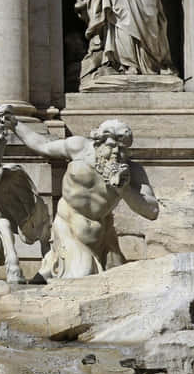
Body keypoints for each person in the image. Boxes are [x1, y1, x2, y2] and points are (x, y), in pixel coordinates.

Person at [14, 119, 159, 279]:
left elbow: (152, 211)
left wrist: (124, 190)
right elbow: (42, 145)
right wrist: (14, 123)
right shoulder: (79, 148)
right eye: (111, 146)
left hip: (103, 237)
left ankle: (46, 273)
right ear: (99, 143)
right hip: (68, 228)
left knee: (117, 280)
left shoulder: (133, 171)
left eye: (122, 148)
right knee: (82, 276)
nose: (117, 152)